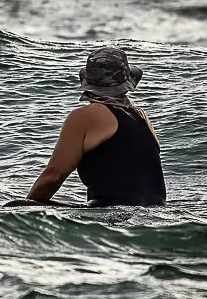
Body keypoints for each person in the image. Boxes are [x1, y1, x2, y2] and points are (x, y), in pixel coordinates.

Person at [22, 45, 166, 207]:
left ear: (88, 85)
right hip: (156, 214)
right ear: (127, 84)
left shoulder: (85, 116)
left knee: (16, 206)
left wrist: (26, 208)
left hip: (113, 215)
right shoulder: (142, 117)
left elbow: (54, 175)